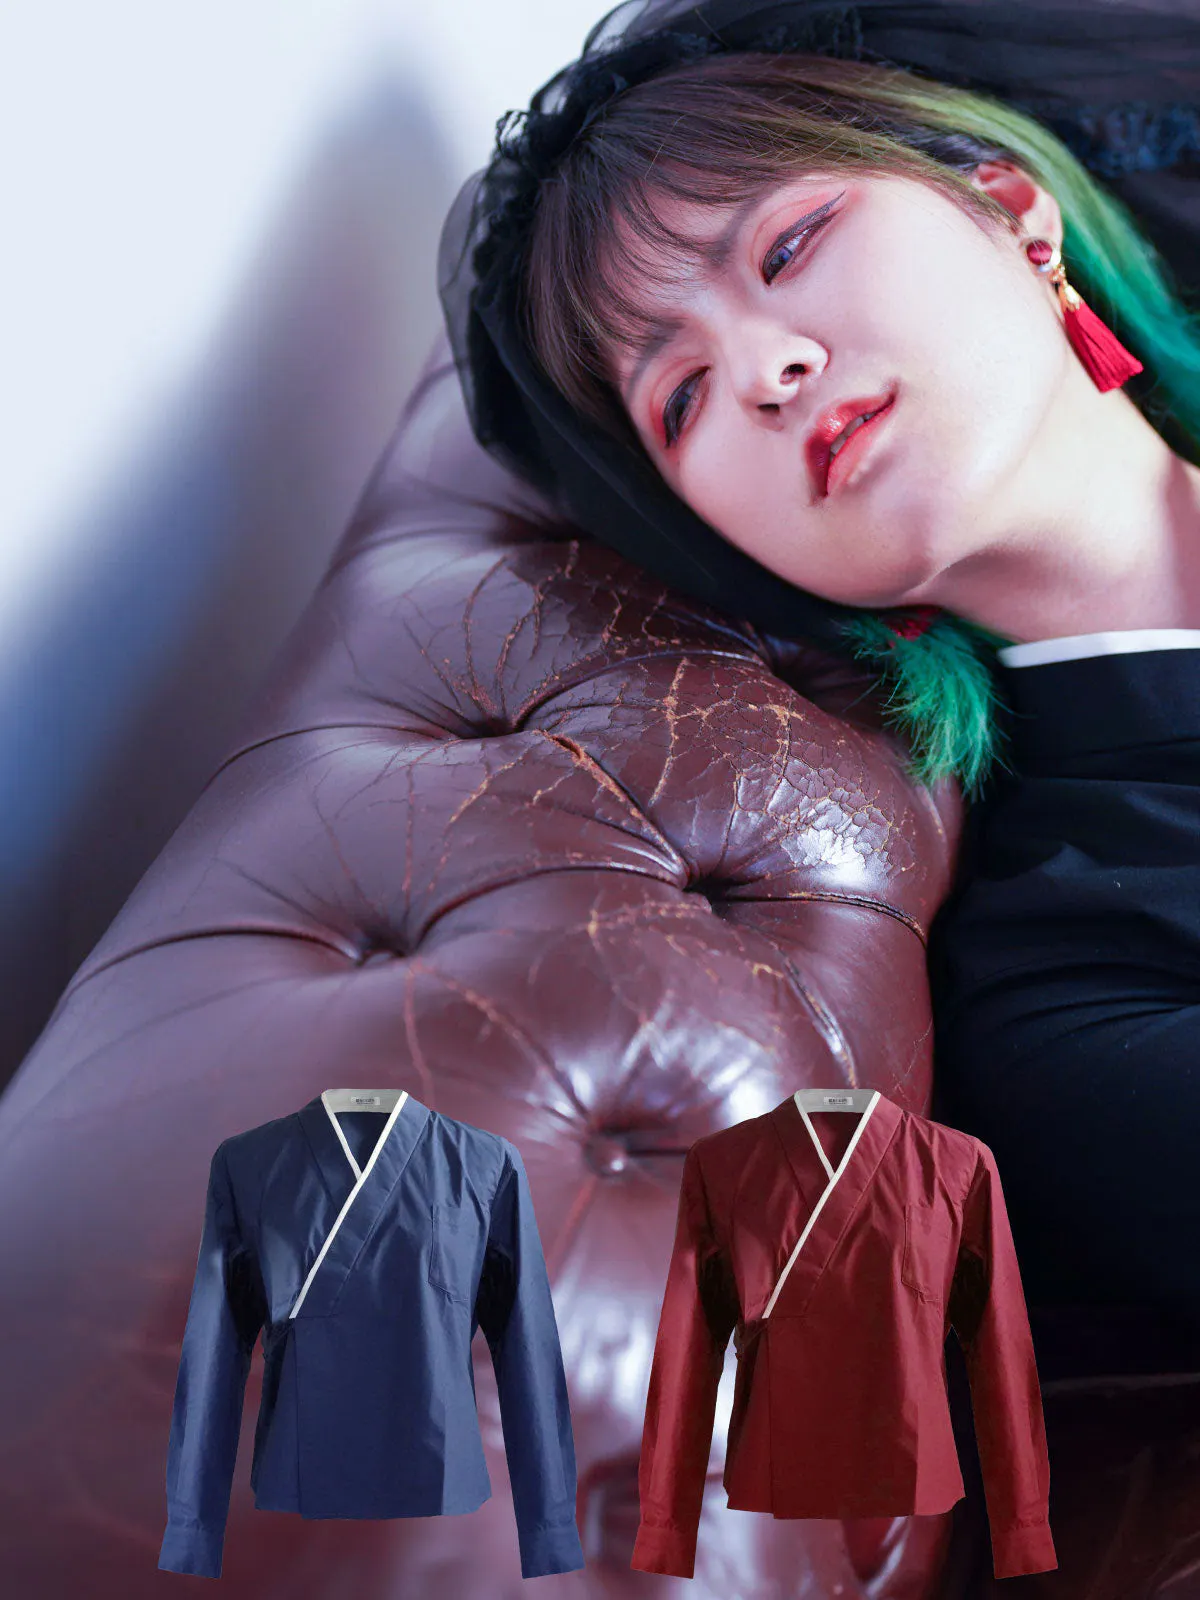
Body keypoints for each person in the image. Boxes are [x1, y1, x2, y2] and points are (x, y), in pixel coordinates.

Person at [439, 0, 1200, 1340]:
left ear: (1012, 208)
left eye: (790, 246)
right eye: (680, 399)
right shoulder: (1064, 991)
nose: (764, 369)